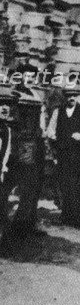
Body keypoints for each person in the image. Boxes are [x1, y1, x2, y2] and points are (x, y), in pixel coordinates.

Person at [10, 83, 48, 238]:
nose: (29, 79)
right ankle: (18, 225)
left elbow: (40, 123)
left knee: (33, 186)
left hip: (34, 144)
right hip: (23, 146)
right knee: (25, 185)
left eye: (32, 76)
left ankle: (27, 223)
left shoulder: (36, 95)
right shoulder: (15, 96)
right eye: (26, 75)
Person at [47, 85, 80, 227]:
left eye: (74, 95)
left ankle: (76, 216)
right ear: (65, 97)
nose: (71, 98)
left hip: (78, 154)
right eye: (69, 95)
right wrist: (57, 138)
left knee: (76, 184)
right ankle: (65, 215)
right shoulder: (58, 112)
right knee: (64, 184)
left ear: (78, 97)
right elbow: (50, 130)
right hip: (63, 153)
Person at [0, 85, 17, 242]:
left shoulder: (7, 130)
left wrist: (3, 170)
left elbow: (7, 152)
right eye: (0, 104)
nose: (4, 108)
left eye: (7, 105)